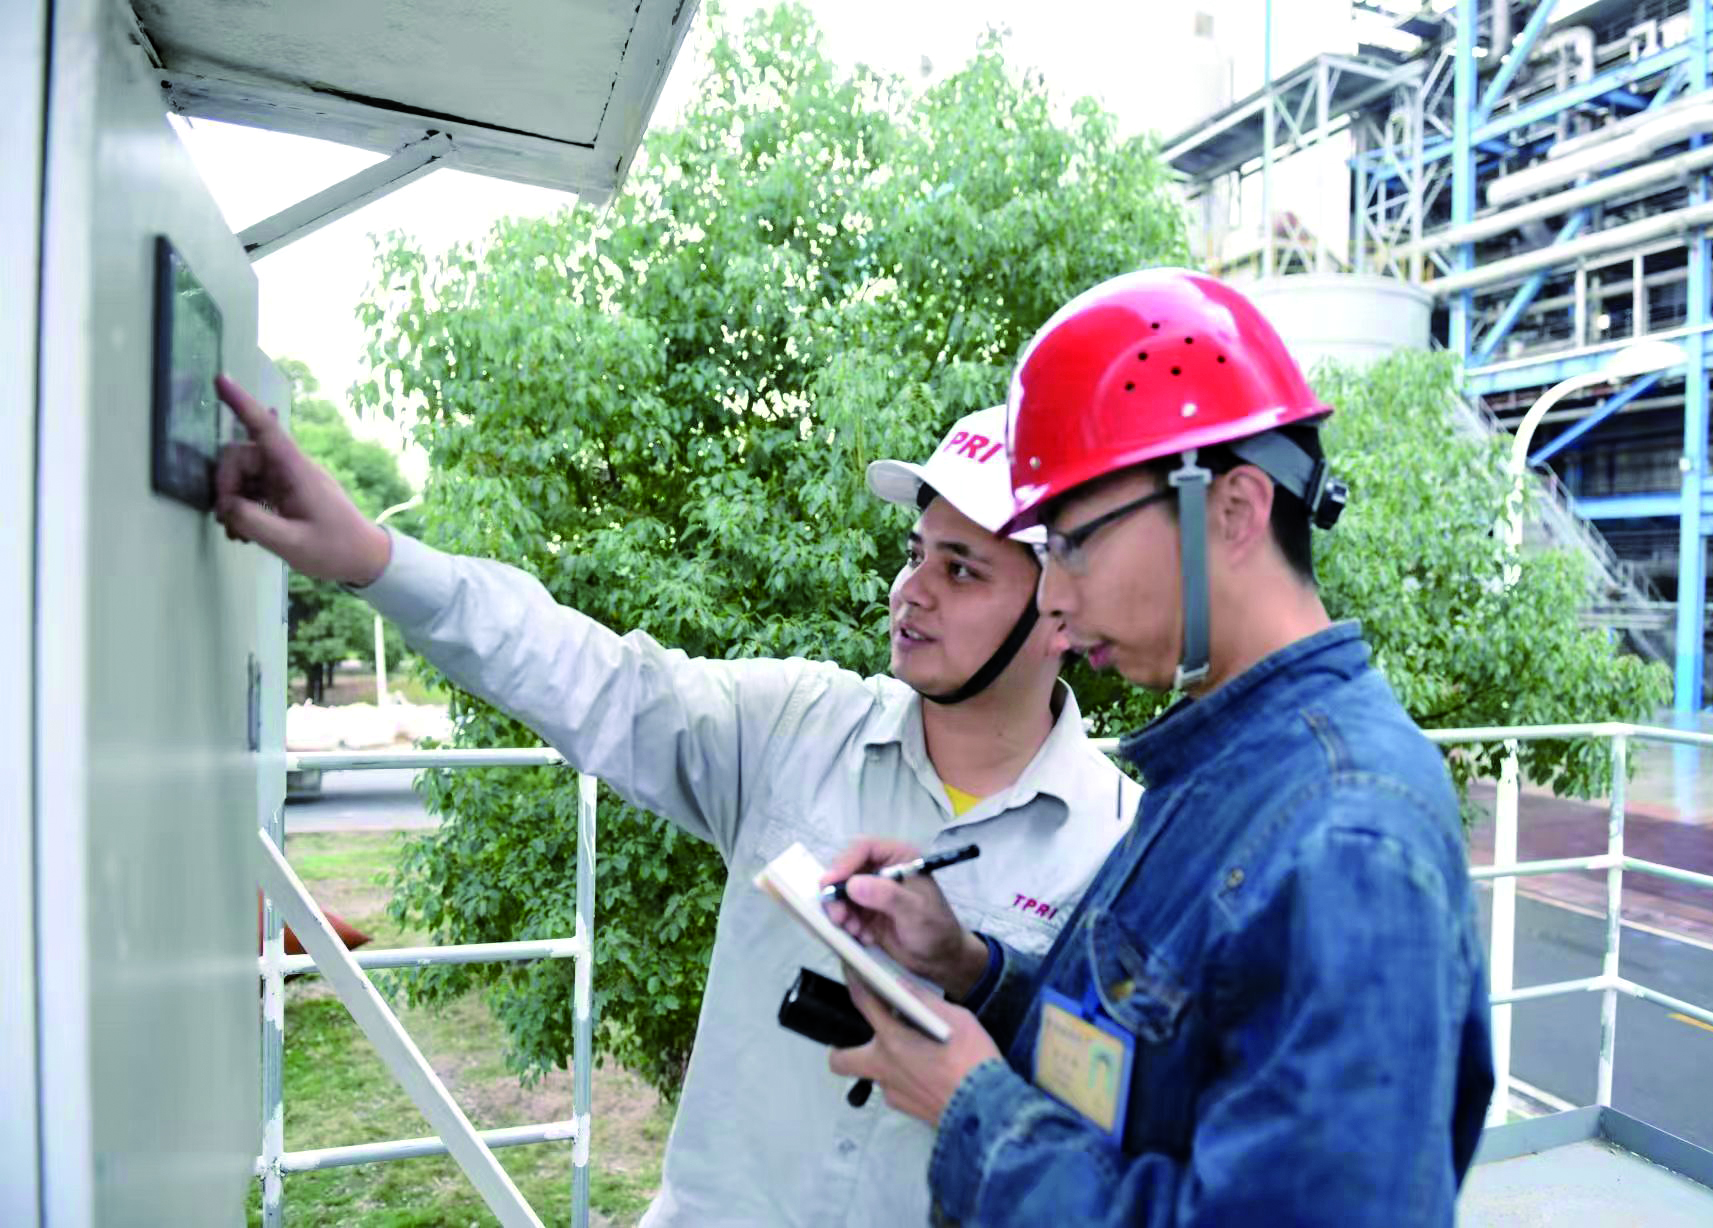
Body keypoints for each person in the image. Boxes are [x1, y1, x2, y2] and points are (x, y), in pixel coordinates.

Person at [212, 380, 1140, 1228]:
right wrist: (374, 559)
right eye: (914, 553)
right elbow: (590, 677)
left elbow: (1124, 1108)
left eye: (962, 569)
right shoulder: (795, 726)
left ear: (1061, 609)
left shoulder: (1126, 846)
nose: (910, 591)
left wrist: (977, 971)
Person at [823, 269, 1494, 1226]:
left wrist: (975, 1108)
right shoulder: (1230, 766)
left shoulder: (1350, 838)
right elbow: (1149, 1070)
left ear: (1232, 510)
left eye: (1072, 543)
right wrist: (970, 968)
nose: (1053, 599)